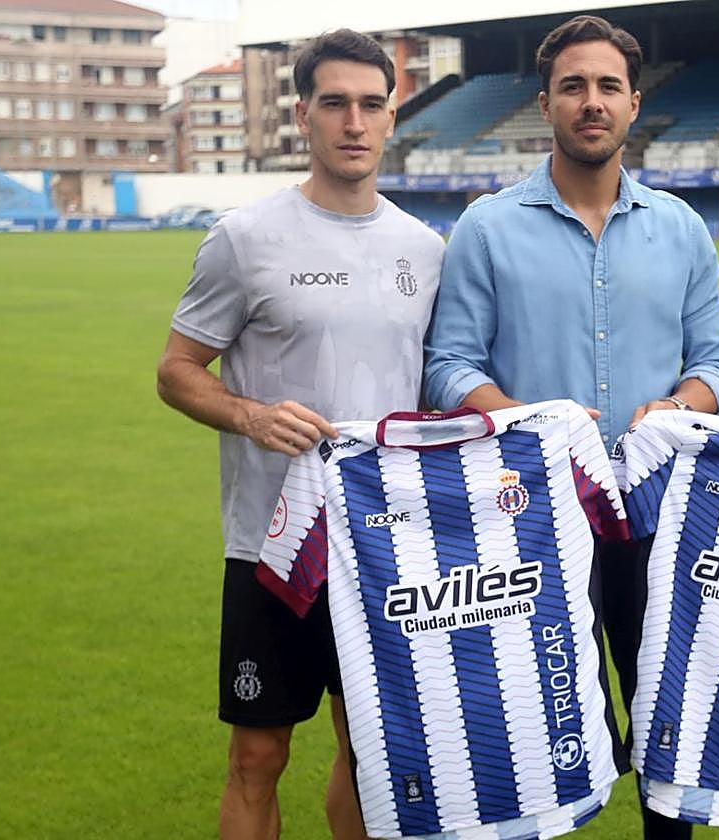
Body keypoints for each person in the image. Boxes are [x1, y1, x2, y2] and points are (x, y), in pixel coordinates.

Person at [423, 15, 719, 840]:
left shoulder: (682, 229)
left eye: (606, 87)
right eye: (572, 86)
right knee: (521, 728)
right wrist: (527, 423)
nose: (590, 103)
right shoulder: (487, 227)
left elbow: (716, 363)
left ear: (634, 103)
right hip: (528, 526)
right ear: (545, 104)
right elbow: (449, 364)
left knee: (666, 719)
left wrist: (681, 406)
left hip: (659, 522)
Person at [156, 29, 444, 840]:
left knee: (373, 752)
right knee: (258, 755)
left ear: (392, 118)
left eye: (371, 105)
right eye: (334, 103)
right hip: (269, 546)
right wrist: (251, 414)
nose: (354, 121)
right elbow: (176, 369)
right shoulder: (244, 240)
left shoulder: (425, 251)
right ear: (303, 116)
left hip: (384, 549)